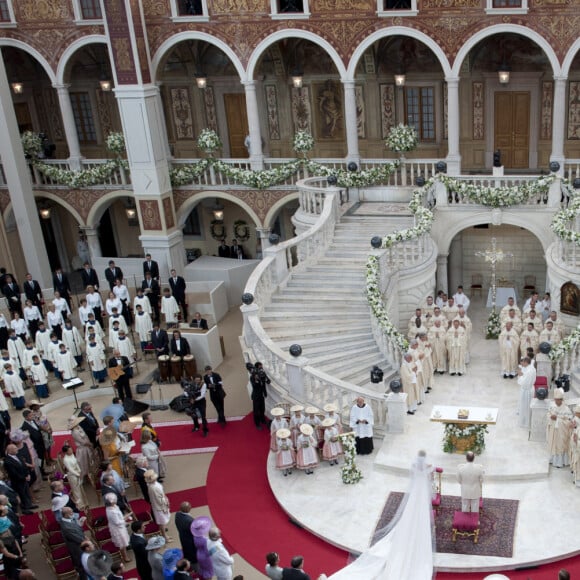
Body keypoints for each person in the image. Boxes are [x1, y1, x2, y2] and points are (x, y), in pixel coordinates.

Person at [322, 450, 434, 580]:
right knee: (421, 511)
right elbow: (430, 480)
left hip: (415, 491)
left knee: (411, 510)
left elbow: (413, 477)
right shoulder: (428, 467)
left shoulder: (414, 465)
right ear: (425, 457)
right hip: (422, 491)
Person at [3, 444, 36, 513]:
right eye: (15, 448)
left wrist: (27, 474)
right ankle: (24, 509)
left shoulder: (18, 455)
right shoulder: (7, 461)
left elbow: (24, 465)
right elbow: (13, 473)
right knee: (22, 494)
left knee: (26, 492)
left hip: (24, 478)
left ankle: (29, 504)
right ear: (10, 450)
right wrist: (24, 478)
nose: (17, 449)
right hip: (17, 481)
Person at [547, 388, 573, 468]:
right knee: (553, 444)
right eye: (555, 400)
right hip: (553, 430)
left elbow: (569, 421)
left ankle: (559, 463)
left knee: (560, 446)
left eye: (558, 400)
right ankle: (552, 460)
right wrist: (551, 417)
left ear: (562, 400)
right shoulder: (552, 406)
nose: (556, 402)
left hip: (561, 432)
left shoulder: (566, 409)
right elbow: (548, 414)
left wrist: (557, 419)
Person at [104, 492, 132, 563]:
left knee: (124, 541)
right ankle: (125, 557)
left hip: (120, 526)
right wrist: (125, 519)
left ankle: (125, 553)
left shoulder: (114, 506)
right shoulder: (111, 511)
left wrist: (124, 517)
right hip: (118, 529)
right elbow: (117, 522)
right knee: (121, 543)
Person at [145, 470, 172, 542]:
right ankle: (164, 537)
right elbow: (158, 499)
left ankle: (164, 535)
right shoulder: (153, 487)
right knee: (162, 522)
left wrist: (165, 498)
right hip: (159, 507)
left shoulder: (154, 484)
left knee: (162, 522)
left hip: (159, 504)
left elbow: (162, 494)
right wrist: (166, 502)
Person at [60, 506, 87, 577]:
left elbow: (76, 527)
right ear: (66, 514)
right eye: (71, 512)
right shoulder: (66, 527)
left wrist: (80, 522)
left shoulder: (69, 519)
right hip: (76, 548)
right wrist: (86, 541)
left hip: (80, 543)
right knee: (81, 564)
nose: (73, 513)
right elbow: (78, 539)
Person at [62, 444, 89, 510]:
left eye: (71, 449)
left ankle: (85, 503)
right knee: (76, 491)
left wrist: (79, 471)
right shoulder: (65, 459)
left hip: (77, 473)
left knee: (80, 489)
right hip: (72, 475)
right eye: (69, 450)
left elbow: (76, 463)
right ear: (66, 452)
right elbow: (70, 469)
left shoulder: (72, 455)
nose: (71, 451)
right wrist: (77, 474)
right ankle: (80, 505)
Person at [175, 501, 199, 571]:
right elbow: (195, 532)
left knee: (187, 553)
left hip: (183, 538)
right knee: (193, 558)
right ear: (188, 509)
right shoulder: (190, 521)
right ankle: (195, 570)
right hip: (190, 542)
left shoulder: (177, 514)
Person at [191, 516, 214, 580]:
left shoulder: (195, 536)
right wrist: (215, 550)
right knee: (208, 571)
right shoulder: (204, 540)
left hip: (199, 554)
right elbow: (208, 552)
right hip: (205, 557)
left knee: (203, 568)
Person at [517, 356, 537, 429]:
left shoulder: (529, 371)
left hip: (526, 391)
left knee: (525, 406)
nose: (522, 364)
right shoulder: (532, 368)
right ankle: (527, 420)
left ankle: (525, 422)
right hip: (531, 388)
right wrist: (523, 375)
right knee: (528, 406)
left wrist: (520, 375)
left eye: (523, 362)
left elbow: (524, 382)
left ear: (526, 362)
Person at [250, 362, 270, 429]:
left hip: (262, 395)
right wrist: (257, 379)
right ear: (256, 368)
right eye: (260, 367)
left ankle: (263, 420)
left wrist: (265, 377)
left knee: (262, 409)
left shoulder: (262, 374)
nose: (261, 368)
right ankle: (257, 424)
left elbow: (268, 382)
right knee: (256, 411)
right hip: (256, 396)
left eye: (261, 367)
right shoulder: (252, 376)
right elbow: (255, 386)